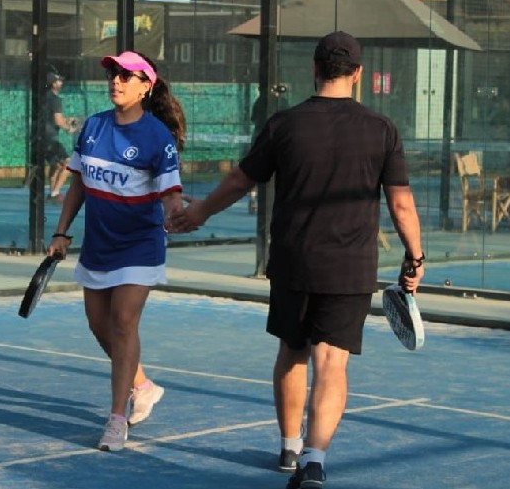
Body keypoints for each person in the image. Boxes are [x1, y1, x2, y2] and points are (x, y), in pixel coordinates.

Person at [171, 31, 424, 488]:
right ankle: (314, 459)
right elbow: (401, 204)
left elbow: (240, 181)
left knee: (292, 352)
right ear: (358, 74)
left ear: (314, 68)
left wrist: (200, 213)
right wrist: (415, 256)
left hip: (293, 261)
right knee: (332, 363)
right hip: (350, 268)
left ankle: (290, 448)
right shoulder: (382, 129)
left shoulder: (284, 125)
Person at [46, 51, 186, 452]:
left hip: (140, 245)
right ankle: (142, 385)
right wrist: (61, 232)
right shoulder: (93, 127)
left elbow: (170, 195)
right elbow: (79, 184)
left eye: (126, 75)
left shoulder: (157, 137)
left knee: (123, 321)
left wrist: (176, 212)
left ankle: (116, 419)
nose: (116, 80)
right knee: (99, 325)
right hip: (98, 246)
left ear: (146, 86)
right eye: (113, 73)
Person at [46, 72, 78, 202]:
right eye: (59, 81)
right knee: (69, 163)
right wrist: (69, 128)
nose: (61, 83)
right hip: (50, 138)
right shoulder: (56, 99)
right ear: (54, 84)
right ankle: (55, 193)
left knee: (56, 165)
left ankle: (52, 193)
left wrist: (67, 120)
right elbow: (58, 121)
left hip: (40, 138)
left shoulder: (43, 98)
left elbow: (52, 118)